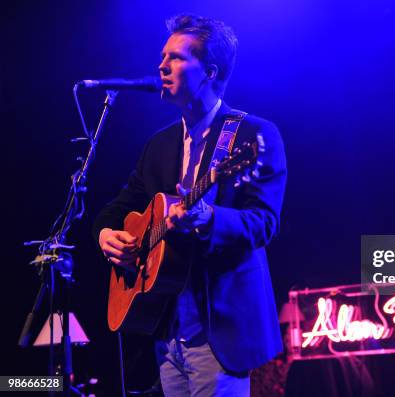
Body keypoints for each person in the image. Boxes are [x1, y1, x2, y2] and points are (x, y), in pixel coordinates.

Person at [93, 14, 287, 396]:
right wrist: (106, 235)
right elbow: (120, 207)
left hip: (220, 330)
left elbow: (263, 222)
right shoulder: (159, 145)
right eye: (163, 57)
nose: (161, 66)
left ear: (209, 72)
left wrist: (208, 216)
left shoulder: (253, 135)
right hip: (166, 331)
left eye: (177, 58)